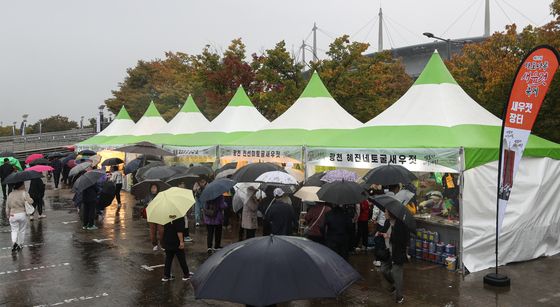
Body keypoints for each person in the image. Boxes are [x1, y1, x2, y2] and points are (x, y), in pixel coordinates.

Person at [380, 210, 409, 304]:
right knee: (383, 269)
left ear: (391, 214)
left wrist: (389, 235)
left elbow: (403, 240)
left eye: (386, 212)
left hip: (398, 254)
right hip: (388, 251)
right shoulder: (387, 222)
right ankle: (394, 284)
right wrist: (381, 233)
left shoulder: (401, 225)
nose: (384, 214)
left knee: (397, 275)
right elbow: (383, 231)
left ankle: (399, 297)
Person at [161, 217, 193, 282]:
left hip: (167, 240)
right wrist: (181, 242)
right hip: (176, 241)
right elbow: (179, 231)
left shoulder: (166, 216)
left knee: (168, 258)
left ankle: (166, 276)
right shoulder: (179, 217)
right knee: (181, 258)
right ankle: (186, 274)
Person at [6, 182, 33, 252]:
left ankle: (14, 242)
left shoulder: (10, 194)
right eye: (23, 184)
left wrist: (7, 214)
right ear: (21, 186)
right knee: (22, 230)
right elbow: (31, 201)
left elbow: (7, 206)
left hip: (13, 214)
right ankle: (20, 244)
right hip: (22, 214)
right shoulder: (24, 193)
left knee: (14, 230)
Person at [144, 184, 162, 251]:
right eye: (152, 188)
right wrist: (147, 204)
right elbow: (144, 204)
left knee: (161, 231)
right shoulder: (148, 196)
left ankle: (162, 244)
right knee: (152, 232)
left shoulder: (160, 195)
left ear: (157, 189)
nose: (153, 189)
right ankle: (155, 244)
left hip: (160, 216)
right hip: (151, 216)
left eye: (154, 188)